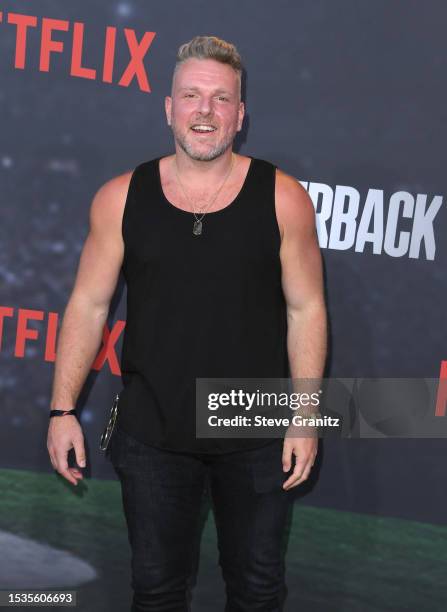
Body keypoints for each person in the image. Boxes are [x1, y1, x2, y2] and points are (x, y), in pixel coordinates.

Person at [47, 35, 327, 612]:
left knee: (256, 591)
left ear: (241, 114)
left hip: (258, 428)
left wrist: (304, 418)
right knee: (155, 592)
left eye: (221, 99)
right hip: (153, 433)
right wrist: (61, 410)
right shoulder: (120, 198)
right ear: (168, 108)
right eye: (192, 96)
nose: (206, 111)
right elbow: (88, 306)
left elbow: (307, 310)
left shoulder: (283, 198)